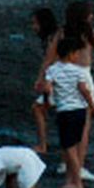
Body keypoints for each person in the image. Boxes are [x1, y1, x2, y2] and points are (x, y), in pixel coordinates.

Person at [44, 35, 94, 188]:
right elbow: (84, 91)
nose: (77, 56)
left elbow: (47, 88)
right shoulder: (79, 71)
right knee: (74, 144)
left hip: (65, 112)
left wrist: (48, 101)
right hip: (80, 111)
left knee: (68, 147)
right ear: (70, 54)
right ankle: (71, 178)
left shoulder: (52, 70)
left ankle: (77, 181)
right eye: (76, 53)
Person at [28, 8, 61, 154]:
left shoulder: (52, 39)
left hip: (57, 80)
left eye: (35, 23)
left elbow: (49, 60)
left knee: (38, 108)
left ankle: (43, 145)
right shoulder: (56, 36)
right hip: (60, 79)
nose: (33, 27)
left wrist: (42, 79)